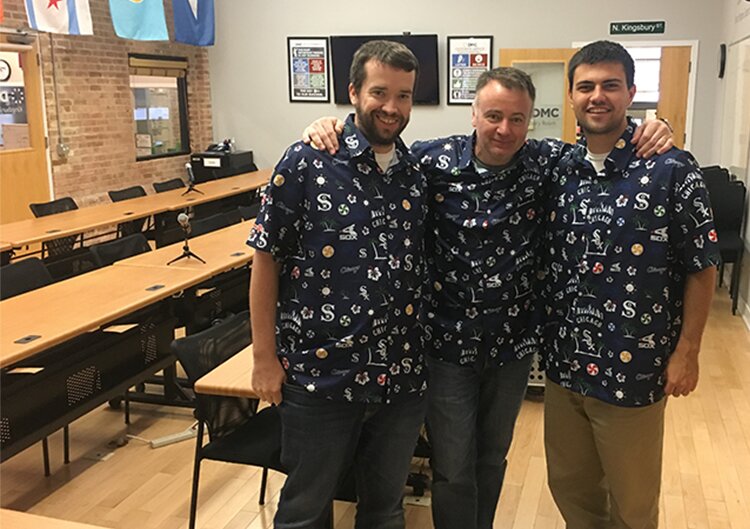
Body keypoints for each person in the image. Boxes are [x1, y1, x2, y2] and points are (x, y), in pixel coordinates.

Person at [303, 67, 673, 529]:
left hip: (512, 348)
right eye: (494, 115)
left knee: (493, 458)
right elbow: (374, 148)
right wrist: (330, 124)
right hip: (446, 348)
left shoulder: (548, 162)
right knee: (454, 465)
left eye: (517, 119)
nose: (504, 129)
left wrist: (657, 125)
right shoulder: (430, 161)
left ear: (530, 122)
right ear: (474, 113)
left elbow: (606, 142)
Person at [247, 40, 428, 529]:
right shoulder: (306, 161)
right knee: (305, 509)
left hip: (401, 377)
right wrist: (264, 357)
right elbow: (266, 261)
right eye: (380, 92)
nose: (391, 107)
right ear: (352, 92)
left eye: (404, 95)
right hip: (319, 377)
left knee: (386, 509)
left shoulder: (417, 174)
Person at [539, 40, 720, 529]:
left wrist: (688, 351)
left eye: (610, 86)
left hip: (633, 368)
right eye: (586, 86)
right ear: (572, 95)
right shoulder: (555, 168)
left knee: (634, 503)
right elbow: (485, 140)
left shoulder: (672, 169)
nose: (598, 96)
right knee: (570, 487)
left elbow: (702, 265)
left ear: (631, 93)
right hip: (564, 364)